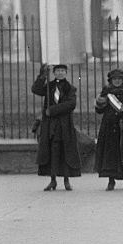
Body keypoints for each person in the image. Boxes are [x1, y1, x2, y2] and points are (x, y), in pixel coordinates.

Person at [31, 63, 81, 191]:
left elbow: (71, 104)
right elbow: (36, 89)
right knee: (52, 151)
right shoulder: (49, 86)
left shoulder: (70, 88)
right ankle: (52, 180)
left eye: (62, 71)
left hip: (64, 124)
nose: (60, 73)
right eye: (57, 70)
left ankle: (66, 180)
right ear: (54, 73)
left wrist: (52, 110)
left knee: (65, 151)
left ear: (66, 73)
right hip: (50, 125)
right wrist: (42, 75)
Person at [94, 69, 123, 190]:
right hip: (109, 126)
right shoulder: (106, 92)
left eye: (119, 79)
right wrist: (99, 102)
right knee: (110, 154)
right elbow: (99, 111)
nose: (117, 81)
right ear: (111, 81)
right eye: (114, 79)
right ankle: (111, 180)